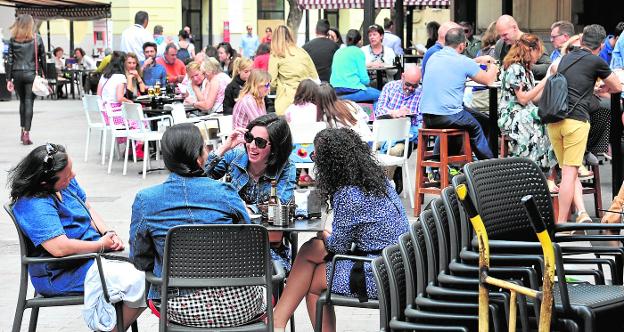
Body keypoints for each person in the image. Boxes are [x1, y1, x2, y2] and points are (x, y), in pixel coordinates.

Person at [272, 127, 409, 332]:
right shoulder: (379, 182)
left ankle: (277, 322)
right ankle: (278, 322)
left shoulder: (348, 194)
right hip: (399, 264)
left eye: (315, 157)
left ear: (329, 163)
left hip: (379, 272)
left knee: (313, 281)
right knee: (312, 250)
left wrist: (326, 236)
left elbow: (339, 247)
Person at [129, 124, 264, 328]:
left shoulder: (145, 200)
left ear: (166, 158)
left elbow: (140, 259)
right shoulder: (225, 193)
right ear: (200, 156)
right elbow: (251, 246)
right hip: (238, 304)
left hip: (177, 306)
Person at [8, 143, 146, 331]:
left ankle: (112, 324)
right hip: (62, 272)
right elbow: (59, 248)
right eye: (67, 175)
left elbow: (87, 209)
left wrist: (107, 234)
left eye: (71, 169)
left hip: (90, 257)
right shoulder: (34, 204)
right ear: (44, 183)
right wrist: (100, 245)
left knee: (149, 266)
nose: (73, 176)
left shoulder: (63, 183)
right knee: (141, 279)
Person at [547, 25, 621, 225]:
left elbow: (555, 72)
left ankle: (577, 215)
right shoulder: (597, 61)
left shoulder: (564, 58)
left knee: (567, 173)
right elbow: (616, 87)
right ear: (602, 44)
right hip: (575, 121)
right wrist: (602, 85)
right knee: (570, 175)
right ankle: (562, 225)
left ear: (581, 40)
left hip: (554, 122)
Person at [205, 113, 296, 271]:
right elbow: (197, 180)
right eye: (249, 138)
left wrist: (241, 209)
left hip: (266, 244)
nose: (252, 146)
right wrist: (223, 148)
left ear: (275, 148)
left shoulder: (286, 167)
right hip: (228, 240)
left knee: (272, 270)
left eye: (260, 142)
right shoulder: (235, 155)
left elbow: (281, 206)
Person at [420, 27, 498, 160]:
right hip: (448, 115)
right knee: (476, 127)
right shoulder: (463, 61)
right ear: (462, 46)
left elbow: (456, 65)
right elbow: (489, 80)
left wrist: (478, 60)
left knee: (485, 121)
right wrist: (494, 66)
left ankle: (449, 163)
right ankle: (489, 166)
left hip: (427, 115)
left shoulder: (434, 57)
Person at [498, 34, 556, 176]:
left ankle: (543, 169)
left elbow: (533, 98)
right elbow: (523, 99)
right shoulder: (515, 69)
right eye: (538, 52)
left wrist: (549, 86)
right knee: (542, 119)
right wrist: (545, 80)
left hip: (524, 111)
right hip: (512, 114)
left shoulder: (526, 70)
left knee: (548, 119)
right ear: (531, 50)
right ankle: (533, 168)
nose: (539, 57)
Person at [6, 14, 45, 145]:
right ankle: (26, 134)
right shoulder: (37, 39)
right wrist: (46, 75)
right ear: (30, 24)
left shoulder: (12, 39)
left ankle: (22, 130)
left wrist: (8, 79)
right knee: (29, 102)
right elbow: (43, 59)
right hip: (31, 74)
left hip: (17, 74)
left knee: (22, 102)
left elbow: (10, 60)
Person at [269, 25, 319, 115]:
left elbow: (271, 82)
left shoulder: (276, 54)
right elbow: (314, 77)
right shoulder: (302, 52)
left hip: (286, 101)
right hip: (306, 99)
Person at [330, 29, 380, 103]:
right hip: (352, 90)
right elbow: (365, 80)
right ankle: (377, 114)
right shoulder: (358, 52)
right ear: (359, 41)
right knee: (380, 95)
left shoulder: (338, 51)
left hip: (335, 90)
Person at [494, 15, 551, 79]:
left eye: (505, 34)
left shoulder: (531, 42)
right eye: (500, 35)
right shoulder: (500, 44)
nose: (502, 38)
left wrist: (526, 67)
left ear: (514, 28)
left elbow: (548, 66)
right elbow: (496, 66)